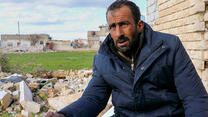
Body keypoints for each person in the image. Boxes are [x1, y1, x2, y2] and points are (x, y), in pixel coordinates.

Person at [45, 0, 208, 117]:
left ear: (139, 25)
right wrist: (65, 115)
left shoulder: (169, 47)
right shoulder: (103, 58)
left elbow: (193, 97)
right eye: (112, 27)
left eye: (124, 24)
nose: (118, 33)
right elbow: (94, 99)